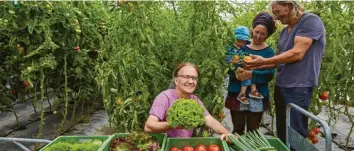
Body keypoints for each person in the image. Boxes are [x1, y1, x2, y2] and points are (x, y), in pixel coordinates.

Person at [244, 1, 326, 145]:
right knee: (282, 132)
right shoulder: (284, 31)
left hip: (298, 87)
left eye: (277, 12)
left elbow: (297, 53)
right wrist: (255, 65)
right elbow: (277, 60)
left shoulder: (310, 21)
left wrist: (263, 61)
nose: (275, 18)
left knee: (295, 133)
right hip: (281, 85)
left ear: (288, 5)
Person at [144, 62, 231, 140]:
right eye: (186, 77)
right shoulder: (164, 97)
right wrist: (173, 124)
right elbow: (148, 126)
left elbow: (209, 120)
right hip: (167, 145)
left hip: (185, 146)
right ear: (176, 81)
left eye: (194, 78)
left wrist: (227, 133)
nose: (190, 81)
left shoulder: (194, 100)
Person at [225, 12, 276, 135]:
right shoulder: (240, 47)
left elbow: (269, 74)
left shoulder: (269, 52)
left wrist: (252, 74)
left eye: (263, 34)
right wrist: (236, 71)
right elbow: (229, 67)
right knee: (237, 130)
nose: (258, 36)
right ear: (252, 29)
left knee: (254, 131)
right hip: (236, 92)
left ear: (268, 35)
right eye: (256, 32)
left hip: (258, 97)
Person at [226, 26, 264, 105]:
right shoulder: (229, 49)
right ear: (234, 39)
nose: (241, 43)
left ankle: (251, 91)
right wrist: (234, 62)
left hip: (241, 67)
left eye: (243, 42)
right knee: (247, 72)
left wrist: (249, 56)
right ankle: (244, 93)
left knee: (250, 70)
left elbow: (243, 55)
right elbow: (228, 61)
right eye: (239, 41)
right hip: (236, 69)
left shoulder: (240, 49)